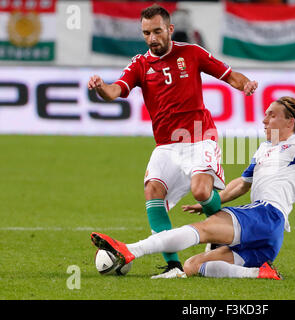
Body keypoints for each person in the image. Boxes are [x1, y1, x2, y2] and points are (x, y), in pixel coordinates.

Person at [90, 96, 295, 280]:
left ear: (289, 122)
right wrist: (211, 200)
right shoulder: (263, 150)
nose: (264, 120)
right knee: (194, 266)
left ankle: (131, 249)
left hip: (267, 215)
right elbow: (241, 185)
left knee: (202, 231)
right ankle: (261, 273)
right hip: (268, 237)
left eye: (271, 116)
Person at [87, 4, 258, 278]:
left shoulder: (191, 53)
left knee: (201, 191)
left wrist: (246, 84)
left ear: (169, 29)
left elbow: (229, 75)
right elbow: (116, 90)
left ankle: (223, 238)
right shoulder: (140, 64)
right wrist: (101, 88)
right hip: (166, 145)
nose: (152, 38)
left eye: (156, 31)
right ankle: (173, 266)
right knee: (153, 190)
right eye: (146, 33)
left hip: (200, 137)